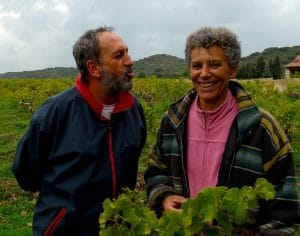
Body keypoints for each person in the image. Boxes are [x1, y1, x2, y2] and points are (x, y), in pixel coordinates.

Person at [144, 26, 299, 235]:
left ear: (232, 69)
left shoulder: (262, 128)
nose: (204, 74)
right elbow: (156, 169)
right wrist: (164, 196)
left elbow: (285, 210)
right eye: (196, 66)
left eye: (215, 64)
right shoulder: (172, 122)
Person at [12, 26, 146, 235]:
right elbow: (25, 174)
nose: (129, 61)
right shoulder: (54, 113)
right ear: (94, 68)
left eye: (127, 52)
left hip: (118, 229)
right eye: (119, 55)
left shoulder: (133, 109)